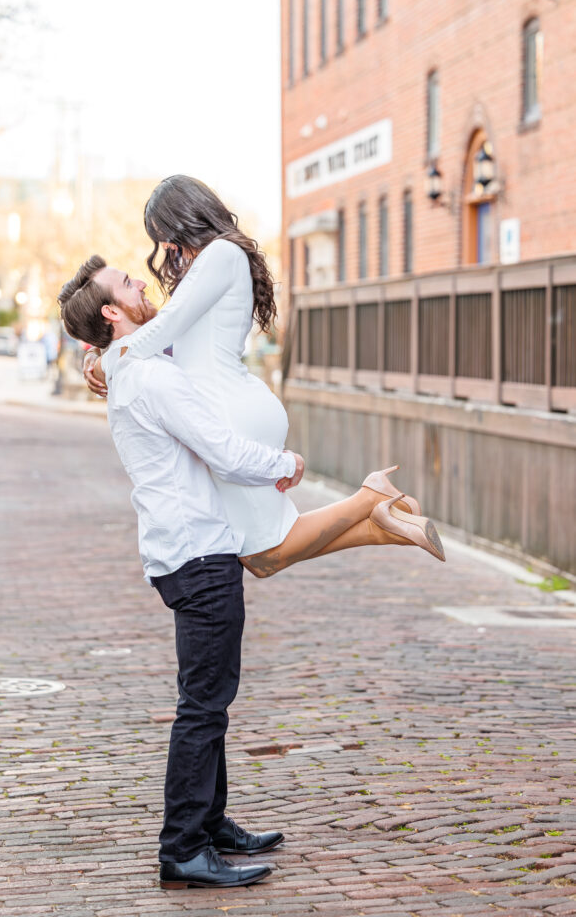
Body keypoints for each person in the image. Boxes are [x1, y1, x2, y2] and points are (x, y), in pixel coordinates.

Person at [58, 258, 300, 890]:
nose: (142, 283)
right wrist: (284, 463)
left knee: (209, 698)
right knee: (203, 705)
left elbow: (173, 338)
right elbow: (221, 448)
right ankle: (183, 848)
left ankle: (211, 825)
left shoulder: (129, 364)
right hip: (198, 553)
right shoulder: (149, 377)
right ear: (111, 312)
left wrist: (96, 357)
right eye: (127, 284)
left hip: (184, 550)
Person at [82, 175, 445, 570]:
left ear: (186, 218)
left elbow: (163, 329)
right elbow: (165, 342)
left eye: (166, 235)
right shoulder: (213, 263)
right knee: (260, 559)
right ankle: (380, 525)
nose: (167, 247)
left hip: (228, 410)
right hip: (226, 405)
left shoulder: (220, 255)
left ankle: (372, 497)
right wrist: (99, 355)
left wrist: (105, 363)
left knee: (263, 549)